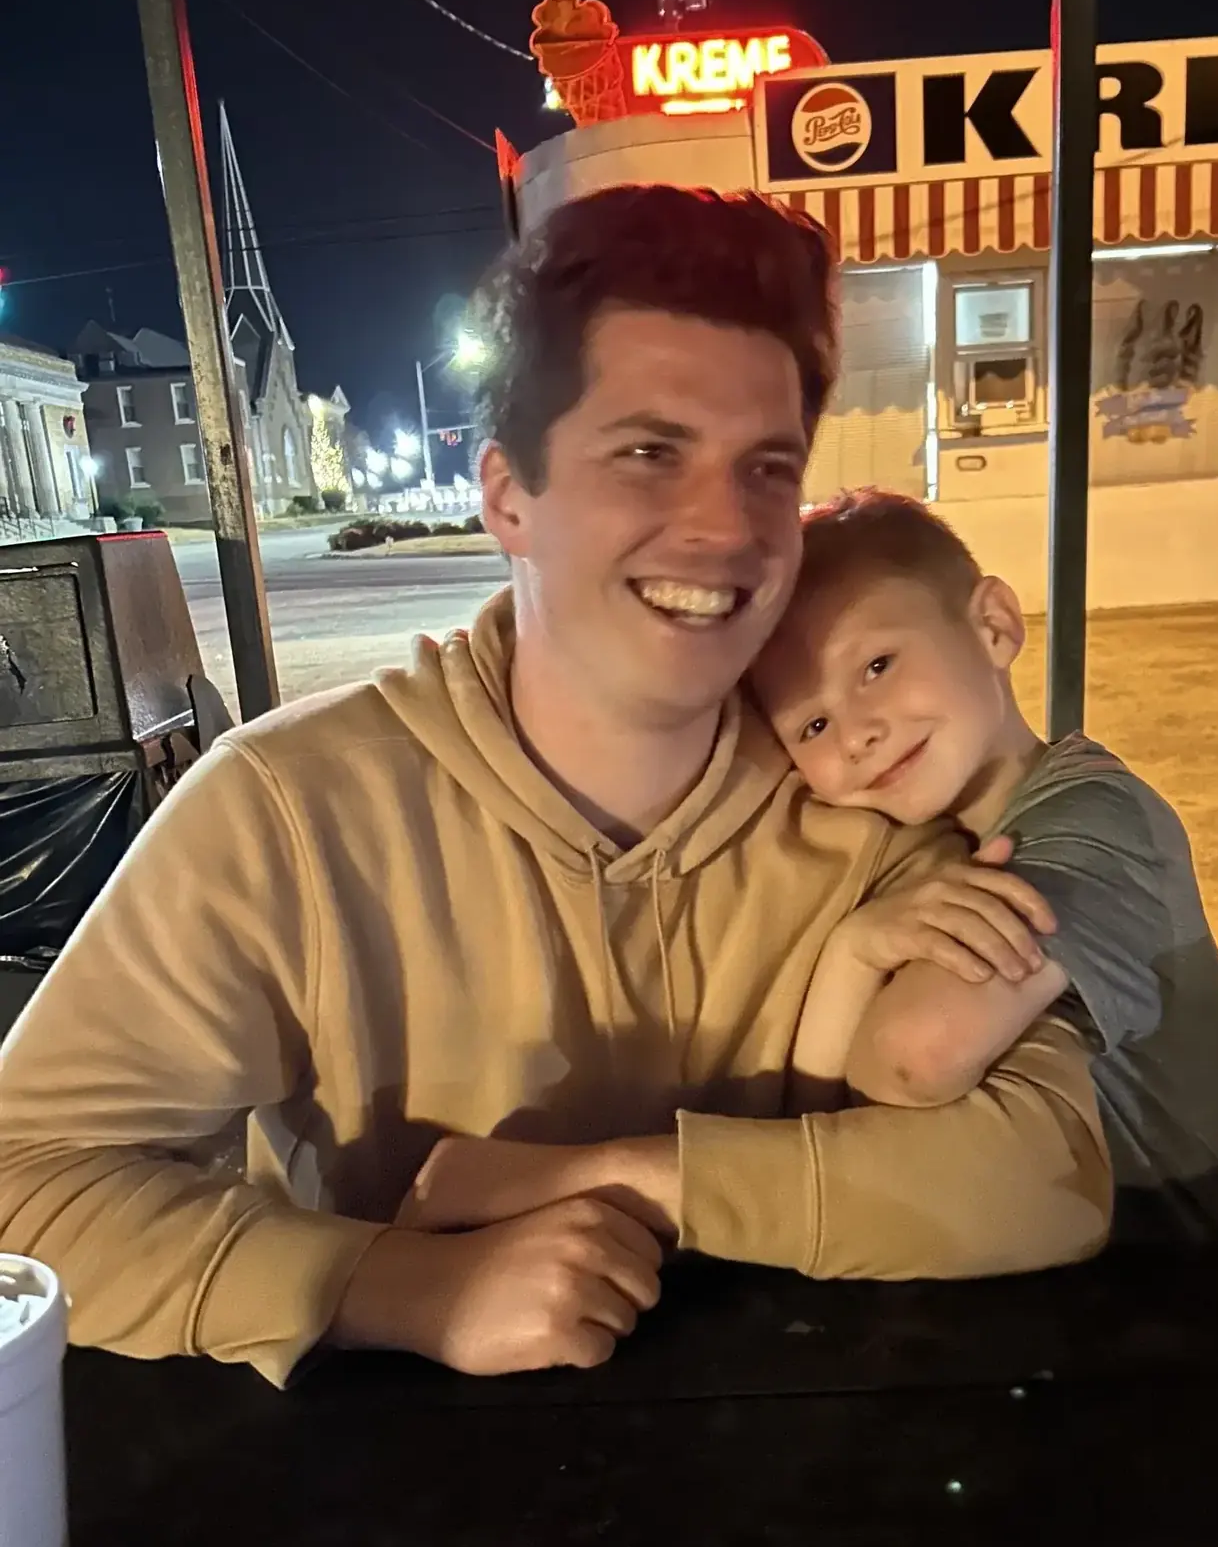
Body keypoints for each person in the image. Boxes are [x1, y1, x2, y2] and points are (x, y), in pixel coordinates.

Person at [0, 188, 1110, 1390]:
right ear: (507, 497)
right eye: (649, 453)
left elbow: (1046, 1175)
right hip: (408, 1482)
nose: (724, 528)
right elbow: (23, 1181)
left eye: (767, 468)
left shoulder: (870, 800)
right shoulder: (292, 811)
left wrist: (625, 1177)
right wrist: (401, 1286)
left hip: (800, 1448)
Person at [744, 489, 1218, 1243]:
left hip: (1174, 1269)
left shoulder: (1098, 819)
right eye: (813, 723)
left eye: (877, 665)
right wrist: (856, 948)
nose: (856, 734)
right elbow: (815, 1113)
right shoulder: (917, 856)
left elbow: (914, 1056)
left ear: (994, 626)